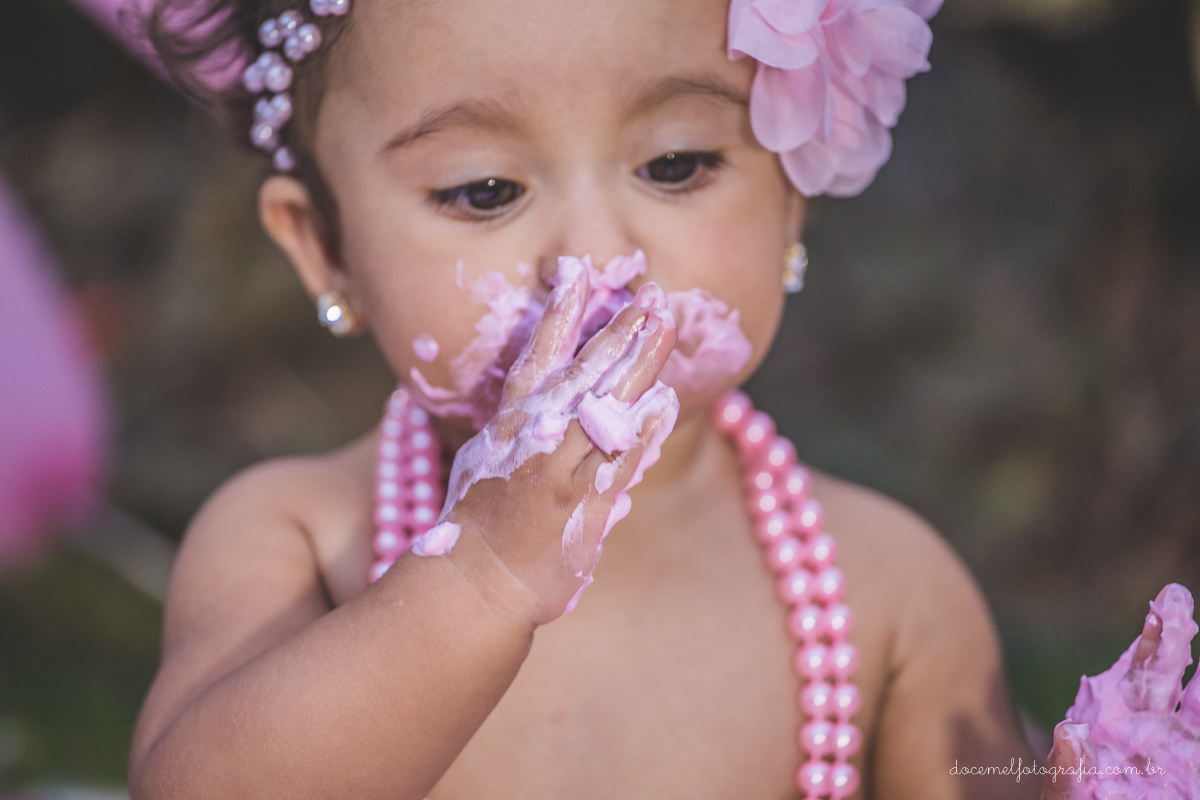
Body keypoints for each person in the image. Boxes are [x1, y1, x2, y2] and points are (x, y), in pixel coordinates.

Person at [125, 0, 1049, 797]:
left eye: (678, 165)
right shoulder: (294, 539)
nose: (597, 257)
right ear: (325, 246)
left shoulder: (888, 588)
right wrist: (477, 580)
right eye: (484, 189)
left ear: (792, 197)